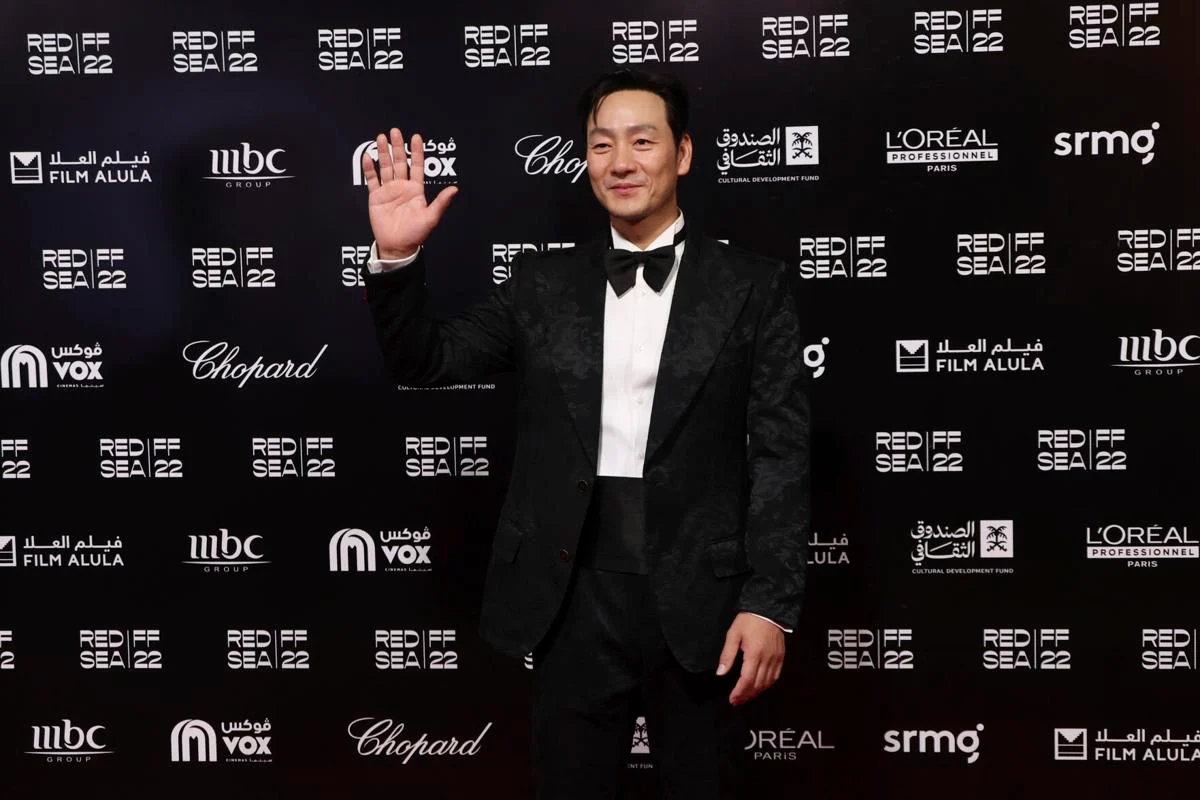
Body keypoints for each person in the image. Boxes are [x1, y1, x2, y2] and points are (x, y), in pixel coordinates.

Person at [359, 68, 810, 799]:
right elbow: (426, 360)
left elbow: (783, 455)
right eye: (602, 145)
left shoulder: (754, 287)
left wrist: (769, 604)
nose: (620, 162)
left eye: (642, 141)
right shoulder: (542, 285)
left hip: (702, 599)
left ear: (683, 153)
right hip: (569, 596)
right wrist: (398, 259)